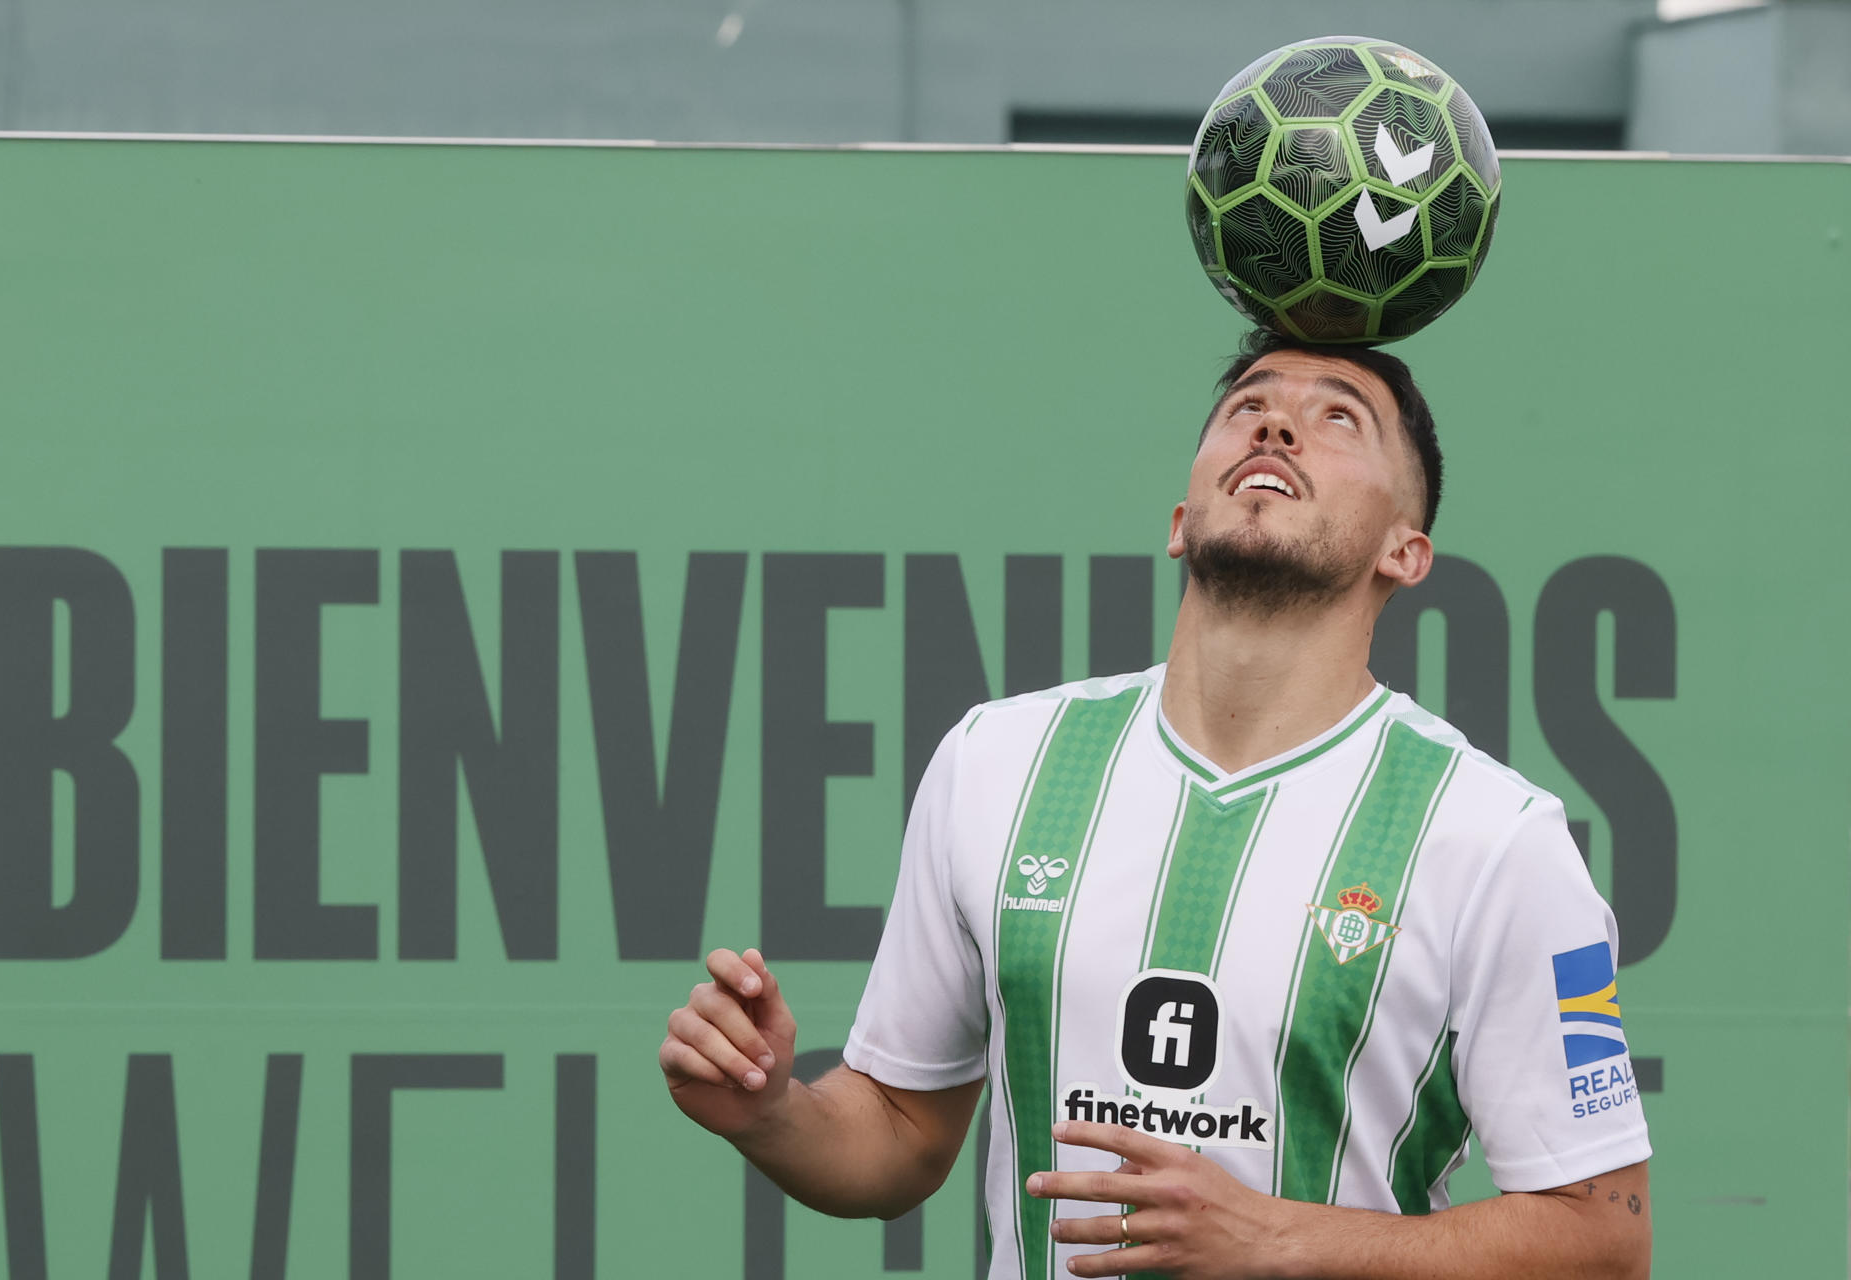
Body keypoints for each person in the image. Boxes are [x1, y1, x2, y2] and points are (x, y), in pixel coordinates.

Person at [658, 327, 1652, 1279]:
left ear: (1406, 549)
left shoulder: (1496, 840)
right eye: (1247, 406)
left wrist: (1279, 1238)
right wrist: (770, 1109)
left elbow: (1605, 1241)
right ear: (1181, 520)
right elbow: (901, 1136)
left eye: (1339, 416)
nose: (1274, 426)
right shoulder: (996, 761)